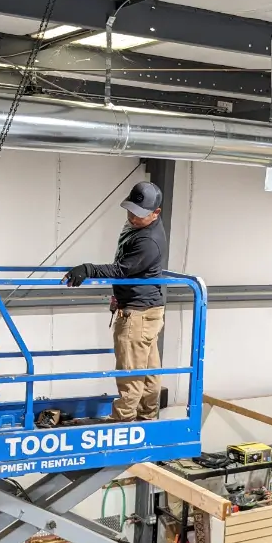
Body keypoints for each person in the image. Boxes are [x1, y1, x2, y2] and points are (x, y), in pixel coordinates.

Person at [63, 181, 167, 422]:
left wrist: (88, 269)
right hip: (146, 308)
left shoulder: (148, 241)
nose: (132, 217)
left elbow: (121, 270)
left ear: (156, 213)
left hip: (138, 314)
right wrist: (120, 295)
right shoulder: (140, 224)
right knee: (149, 370)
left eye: (139, 214)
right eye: (130, 210)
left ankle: (123, 419)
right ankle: (148, 416)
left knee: (130, 371)